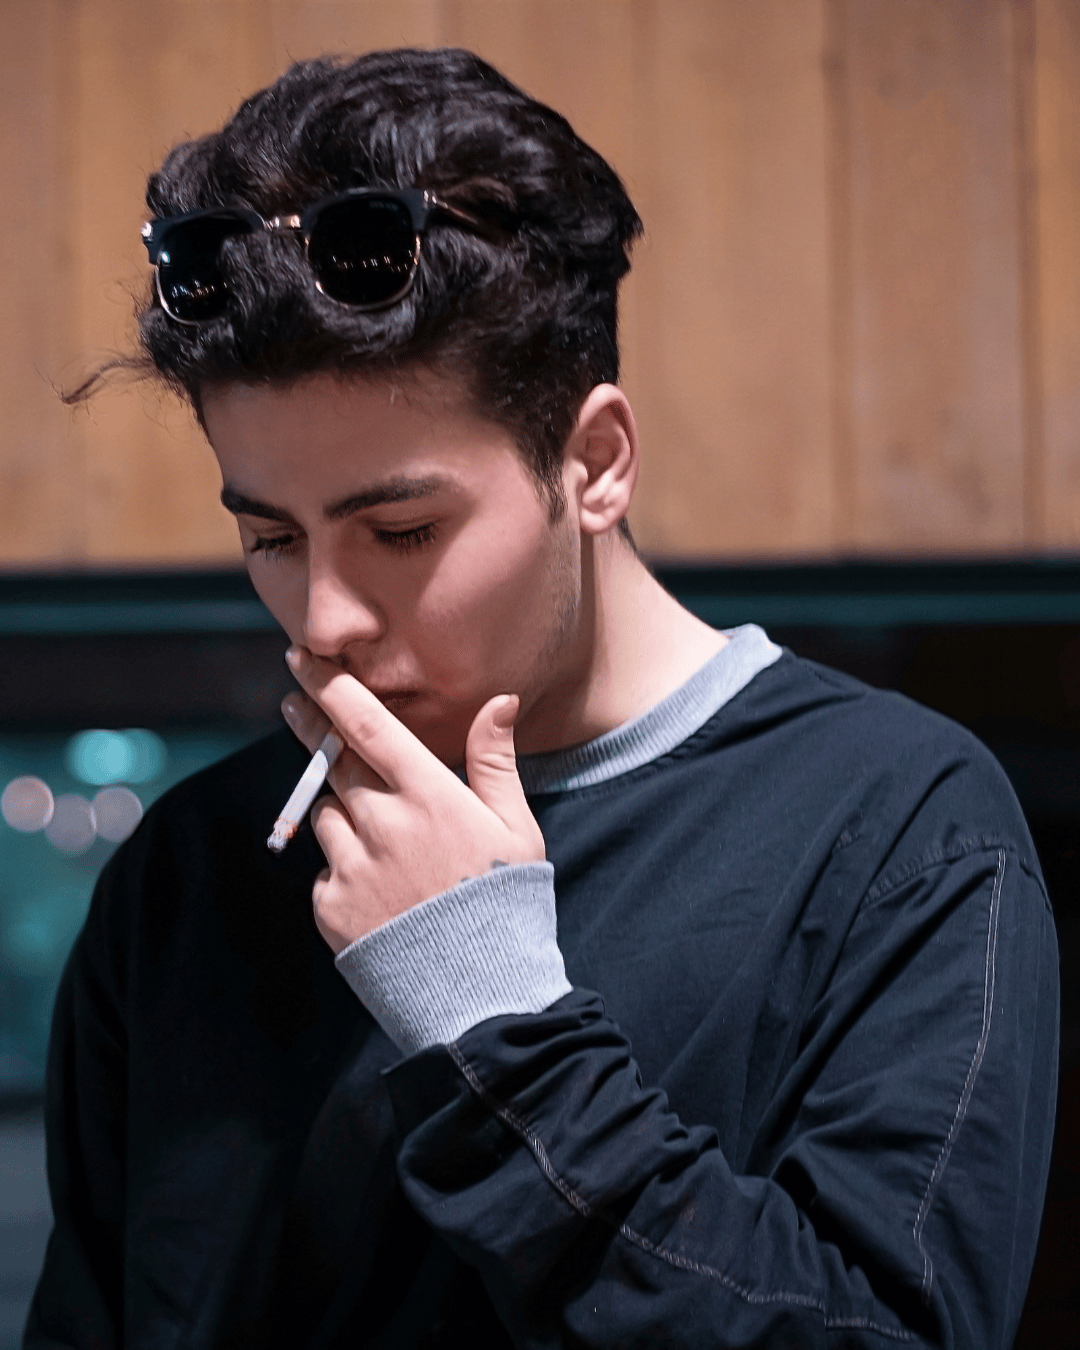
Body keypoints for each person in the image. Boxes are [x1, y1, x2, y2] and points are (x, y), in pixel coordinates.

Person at [28, 48, 1058, 1350]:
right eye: (272, 537)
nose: (325, 618)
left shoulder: (902, 829)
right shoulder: (190, 873)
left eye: (400, 530)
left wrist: (492, 1019)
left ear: (596, 463)